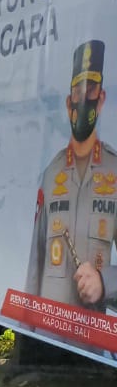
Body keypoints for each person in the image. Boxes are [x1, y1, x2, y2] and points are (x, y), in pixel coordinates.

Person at [27, 40, 117, 311]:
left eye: (91, 90)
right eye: (78, 92)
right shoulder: (51, 173)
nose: (83, 99)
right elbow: (35, 265)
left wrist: (104, 281)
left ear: (101, 99)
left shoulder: (114, 174)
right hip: (47, 330)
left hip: (90, 334)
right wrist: (25, 327)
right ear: (69, 104)